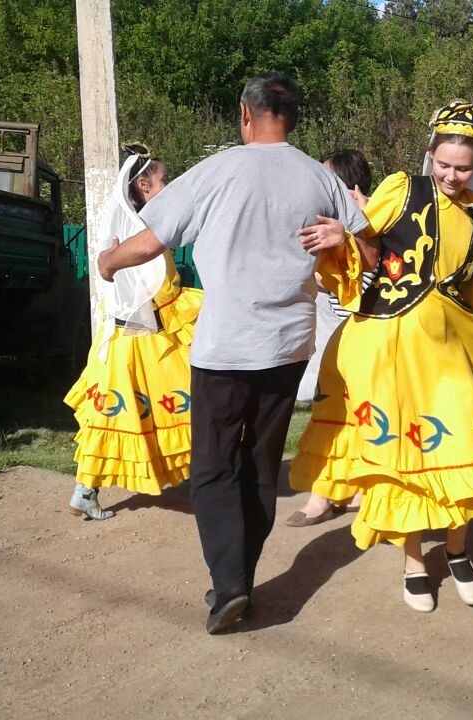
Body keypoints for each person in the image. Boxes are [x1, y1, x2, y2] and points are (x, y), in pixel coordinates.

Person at [95, 73, 368, 634]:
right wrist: (341, 237)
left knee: (214, 467)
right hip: (291, 346)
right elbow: (369, 244)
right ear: (291, 118)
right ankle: (237, 576)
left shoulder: (215, 170)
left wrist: (108, 262)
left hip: (225, 349)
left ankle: (230, 587)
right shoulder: (320, 177)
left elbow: (152, 239)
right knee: (260, 463)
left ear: (247, 114)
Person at [290, 101, 473, 613]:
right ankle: (414, 562)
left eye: (463, 167)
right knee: (404, 461)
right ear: (429, 156)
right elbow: (364, 243)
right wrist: (340, 235)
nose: (451, 175)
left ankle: (459, 552)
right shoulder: (401, 189)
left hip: (446, 353)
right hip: (387, 349)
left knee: (462, 444)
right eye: (443, 164)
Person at [63, 144, 198, 521]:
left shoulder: (134, 228)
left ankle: (84, 491)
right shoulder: (141, 234)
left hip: (126, 340)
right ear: (142, 185)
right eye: (163, 180)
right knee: (193, 403)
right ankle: (213, 483)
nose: (167, 186)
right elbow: (153, 291)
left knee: (111, 415)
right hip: (146, 342)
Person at [288, 149, 375, 527]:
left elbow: (363, 280)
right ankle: (321, 497)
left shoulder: (374, 223)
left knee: (369, 419)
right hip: (333, 346)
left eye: (326, 177)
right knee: (330, 418)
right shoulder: (319, 227)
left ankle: (360, 489)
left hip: (370, 345)